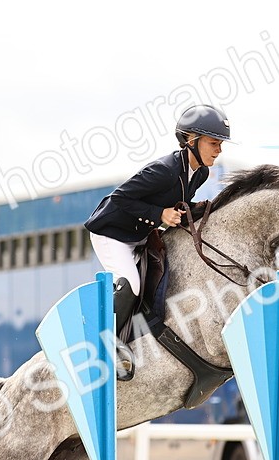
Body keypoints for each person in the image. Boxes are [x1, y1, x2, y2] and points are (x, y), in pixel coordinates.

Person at [84, 104, 231, 379]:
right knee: (133, 283)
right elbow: (119, 199)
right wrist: (159, 214)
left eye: (220, 144)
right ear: (191, 140)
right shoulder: (163, 170)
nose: (219, 150)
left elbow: (178, 203)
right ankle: (105, 342)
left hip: (139, 235)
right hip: (111, 233)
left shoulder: (199, 173)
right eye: (213, 143)